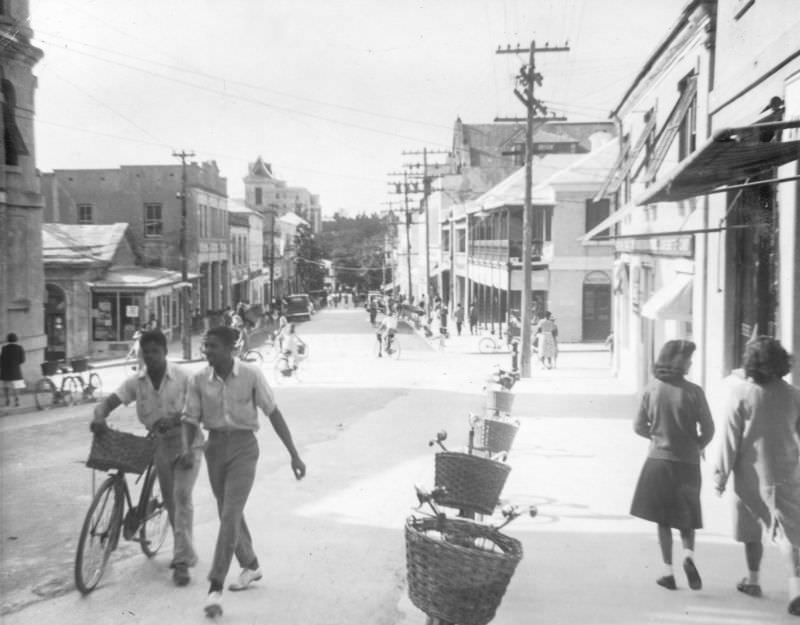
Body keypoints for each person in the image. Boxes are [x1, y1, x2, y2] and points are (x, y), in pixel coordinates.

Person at [181, 326, 305, 617]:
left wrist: (294, 455)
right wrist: (187, 447)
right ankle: (250, 565)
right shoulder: (199, 379)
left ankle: (215, 587)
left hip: (244, 449)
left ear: (230, 349)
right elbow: (190, 418)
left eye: (213, 346)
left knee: (229, 514)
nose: (207, 351)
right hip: (214, 449)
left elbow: (273, 412)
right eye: (205, 346)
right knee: (228, 510)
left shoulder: (251, 375)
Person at [91, 329, 203, 587]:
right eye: (146, 352)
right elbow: (110, 402)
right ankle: (157, 517)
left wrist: (175, 420)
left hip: (188, 441)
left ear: (165, 352)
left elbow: (199, 411)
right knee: (173, 502)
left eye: (156, 351)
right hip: (161, 445)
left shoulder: (183, 378)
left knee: (181, 498)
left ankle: (182, 561)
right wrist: (99, 417)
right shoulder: (136, 382)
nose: (151, 357)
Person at [713, 337, 800, 615]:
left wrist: (720, 476)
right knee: (789, 533)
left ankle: (753, 580)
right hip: (784, 473)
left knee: (751, 531)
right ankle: (796, 590)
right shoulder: (794, 395)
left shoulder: (741, 393)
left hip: (748, 476)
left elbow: (729, 439)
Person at [630, 339, 715, 591]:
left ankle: (668, 573)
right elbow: (709, 429)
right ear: (678, 361)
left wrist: (656, 437)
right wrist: (697, 444)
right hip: (687, 462)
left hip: (658, 461)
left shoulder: (652, 389)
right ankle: (688, 555)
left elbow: (637, 426)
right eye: (688, 359)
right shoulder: (694, 392)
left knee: (663, 519)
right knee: (687, 515)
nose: (690, 363)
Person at [1, 333, 25, 407]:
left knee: (6, 386)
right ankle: (17, 400)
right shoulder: (20, 348)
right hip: (16, 370)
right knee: (16, 386)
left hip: (6, 370)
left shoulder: (4, 348)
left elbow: (1, 359)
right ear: (16, 339)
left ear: (8, 339)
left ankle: (7, 400)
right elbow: (22, 360)